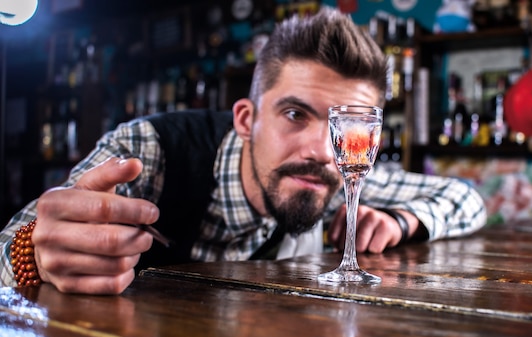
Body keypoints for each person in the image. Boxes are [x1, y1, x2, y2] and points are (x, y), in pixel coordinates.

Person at [1, 7, 486, 294]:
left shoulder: (342, 176)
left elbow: (467, 197)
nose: (323, 149)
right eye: (296, 115)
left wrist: (403, 221)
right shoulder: (149, 151)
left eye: (346, 126)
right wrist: (35, 254)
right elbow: (12, 246)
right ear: (246, 119)